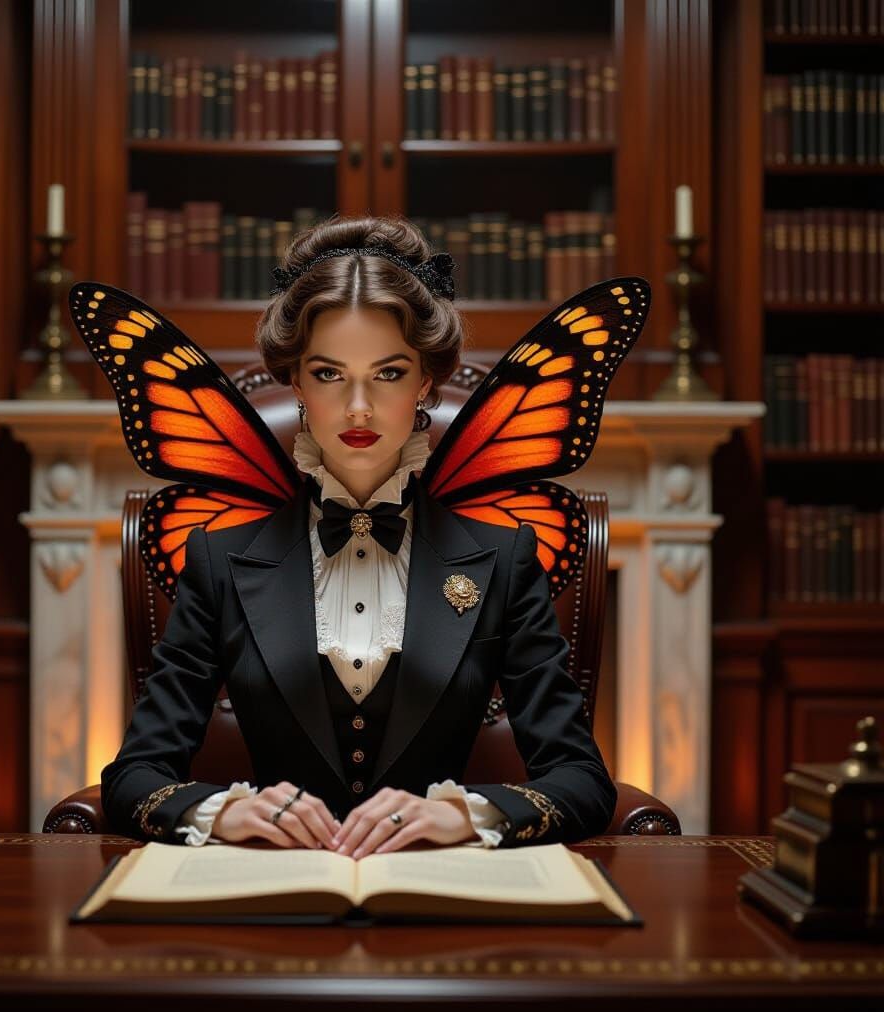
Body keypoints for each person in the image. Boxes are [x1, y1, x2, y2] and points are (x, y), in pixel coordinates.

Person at [99, 214, 618, 858]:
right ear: (295, 381)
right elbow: (134, 776)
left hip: (443, 898)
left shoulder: (506, 560)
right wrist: (223, 811)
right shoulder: (218, 560)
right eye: (328, 374)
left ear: (428, 379)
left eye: (390, 373)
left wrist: (467, 813)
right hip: (271, 896)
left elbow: (583, 780)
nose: (359, 408)